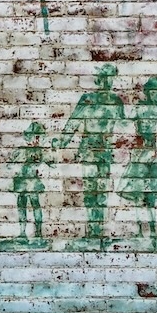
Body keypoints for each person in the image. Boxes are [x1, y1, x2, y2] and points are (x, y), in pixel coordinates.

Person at [55, 64, 125, 239]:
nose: (107, 82)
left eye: (110, 78)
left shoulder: (116, 101)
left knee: (102, 190)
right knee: (90, 190)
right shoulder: (87, 99)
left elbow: (124, 127)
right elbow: (73, 122)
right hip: (88, 148)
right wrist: (62, 142)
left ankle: (99, 229)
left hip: (106, 150)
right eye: (104, 77)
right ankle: (92, 229)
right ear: (98, 79)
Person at [118, 77, 157, 237]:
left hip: (151, 155)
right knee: (139, 195)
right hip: (140, 153)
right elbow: (125, 124)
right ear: (147, 91)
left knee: (151, 197)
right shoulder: (140, 108)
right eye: (154, 91)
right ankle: (142, 231)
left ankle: (152, 231)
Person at [9, 122, 54, 239]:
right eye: (35, 136)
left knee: (35, 205)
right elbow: (11, 162)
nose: (36, 140)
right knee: (22, 206)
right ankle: (23, 232)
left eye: (39, 137)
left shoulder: (40, 151)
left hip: (32, 181)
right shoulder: (23, 150)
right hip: (22, 181)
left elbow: (52, 163)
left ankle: (38, 232)